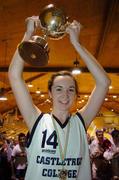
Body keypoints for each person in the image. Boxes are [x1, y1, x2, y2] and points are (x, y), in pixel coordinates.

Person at [8, 16, 111, 180]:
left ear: (76, 95)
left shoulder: (80, 121)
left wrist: (77, 44)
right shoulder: (37, 120)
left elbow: (104, 83)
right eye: (59, 89)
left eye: (71, 89)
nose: (65, 95)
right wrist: (28, 35)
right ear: (50, 93)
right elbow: (14, 76)